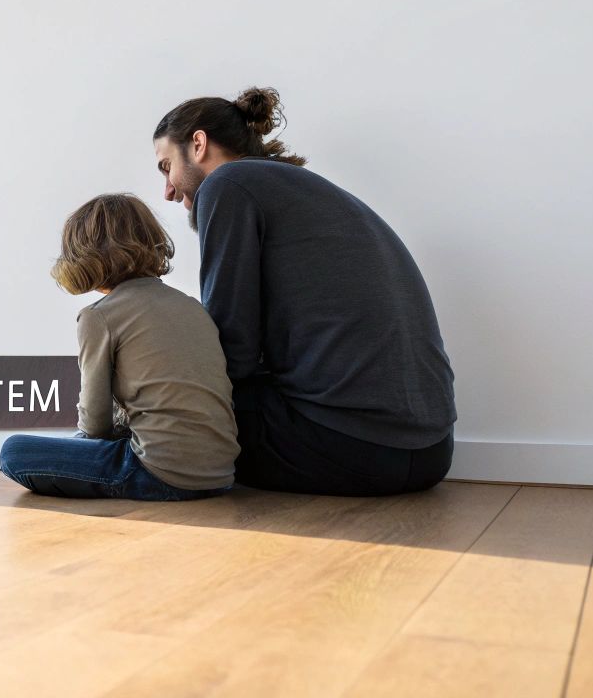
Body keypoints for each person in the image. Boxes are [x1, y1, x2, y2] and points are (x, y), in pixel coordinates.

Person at [152, 87, 457, 496]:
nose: (168, 191)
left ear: (199, 144)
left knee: (165, 411)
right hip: (433, 451)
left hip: (351, 447)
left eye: (166, 166)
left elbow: (233, 349)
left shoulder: (228, 184)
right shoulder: (302, 188)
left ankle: (58, 457)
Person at [0, 194, 239, 501]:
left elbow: (95, 425)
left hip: (160, 474)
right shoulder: (193, 307)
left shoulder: (99, 315)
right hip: (220, 474)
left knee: (14, 451)